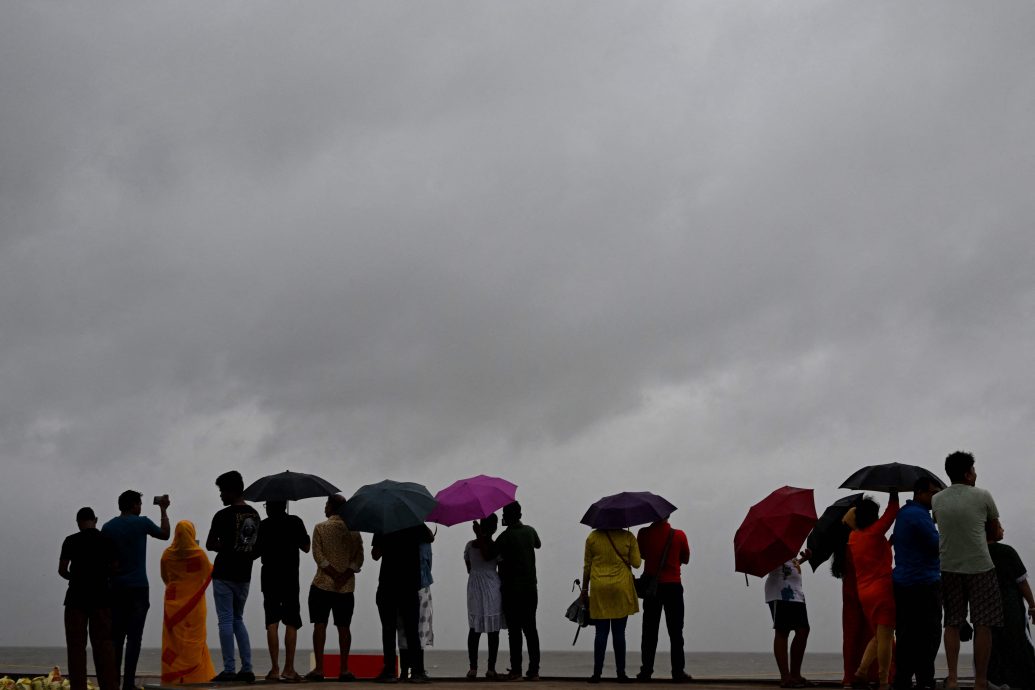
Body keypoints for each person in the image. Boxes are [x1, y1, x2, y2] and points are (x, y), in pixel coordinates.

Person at [931, 451, 1003, 690]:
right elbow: (995, 533)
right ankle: (980, 682)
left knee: (951, 623)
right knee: (983, 623)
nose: (975, 474)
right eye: (973, 470)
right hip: (980, 566)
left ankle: (952, 679)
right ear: (967, 473)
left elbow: (943, 524)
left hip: (949, 566)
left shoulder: (937, 500)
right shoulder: (982, 495)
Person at [102, 490, 170, 690]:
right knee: (134, 638)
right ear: (133, 505)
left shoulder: (107, 527)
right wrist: (164, 510)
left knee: (116, 639)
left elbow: (106, 560)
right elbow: (165, 534)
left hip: (114, 588)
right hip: (138, 587)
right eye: (139, 504)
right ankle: (129, 684)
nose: (141, 507)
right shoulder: (142, 523)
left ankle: (113, 682)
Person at [206, 470, 261, 683]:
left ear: (230, 491)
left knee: (226, 620)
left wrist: (227, 546)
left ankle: (229, 669)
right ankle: (247, 668)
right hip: (244, 574)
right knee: (239, 619)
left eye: (222, 492)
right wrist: (244, 553)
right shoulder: (255, 515)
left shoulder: (222, 516)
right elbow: (257, 548)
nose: (220, 496)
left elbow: (211, 544)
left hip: (224, 573)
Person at [60, 507, 119, 690]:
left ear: (78, 522)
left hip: (75, 599)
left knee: (76, 648)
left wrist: (76, 578)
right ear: (96, 519)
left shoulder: (70, 541)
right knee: (104, 647)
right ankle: (109, 686)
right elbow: (116, 567)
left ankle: (78, 687)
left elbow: (62, 570)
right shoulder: (107, 540)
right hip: (101, 598)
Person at [892, 478, 942, 690]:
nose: (936, 498)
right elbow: (938, 544)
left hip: (904, 582)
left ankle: (902, 679)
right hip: (922, 582)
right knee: (928, 634)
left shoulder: (905, 513)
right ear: (920, 493)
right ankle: (924, 680)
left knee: (906, 634)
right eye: (933, 493)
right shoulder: (918, 515)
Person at [846, 493, 900, 690]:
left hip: (865, 593)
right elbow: (892, 512)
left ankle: (861, 672)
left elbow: (873, 552)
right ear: (872, 517)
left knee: (878, 636)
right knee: (886, 636)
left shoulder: (854, 537)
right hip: (882, 591)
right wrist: (893, 493)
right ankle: (884, 681)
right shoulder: (875, 533)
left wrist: (889, 544)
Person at [306, 495, 363, 682]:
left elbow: (318, 557)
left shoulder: (320, 528)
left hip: (322, 584)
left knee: (319, 625)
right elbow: (358, 559)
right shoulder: (354, 531)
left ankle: (319, 669)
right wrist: (344, 575)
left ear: (331, 507)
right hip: (345, 588)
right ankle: (344, 669)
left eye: (326, 505)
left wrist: (333, 574)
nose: (324, 508)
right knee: (344, 628)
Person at [257, 500, 310, 682]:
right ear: (285, 505)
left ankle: (274, 669)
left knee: (272, 622)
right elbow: (306, 547)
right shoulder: (295, 521)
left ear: (270, 508)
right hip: (289, 577)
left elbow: (255, 552)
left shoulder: (263, 525)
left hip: (269, 577)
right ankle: (289, 669)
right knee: (291, 621)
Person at [371, 524, 431, 683]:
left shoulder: (384, 524)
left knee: (389, 629)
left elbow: (375, 554)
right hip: (410, 585)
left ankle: (390, 671)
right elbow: (430, 537)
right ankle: (417, 671)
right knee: (412, 630)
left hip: (388, 584)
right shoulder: (415, 524)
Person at [582, 526, 641, 683]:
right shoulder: (628, 537)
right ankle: (621, 674)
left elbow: (587, 565)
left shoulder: (592, 537)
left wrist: (584, 588)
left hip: (599, 588)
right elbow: (636, 563)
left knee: (600, 633)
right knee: (619, 633)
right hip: (621, 587)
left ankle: (596, 674)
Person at [635, 518, 692, 682]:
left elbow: (641, 556)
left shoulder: (643, 533)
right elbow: (686, 559)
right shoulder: (679, 535)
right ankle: (678, 671)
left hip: (652, 588)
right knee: (675, 632)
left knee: (649, 632)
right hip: (673, 586)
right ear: (668, 516)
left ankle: (646, 671)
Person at [159, 521, 215, 684]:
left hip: (172, 606)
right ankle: (195, 677)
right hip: (194, 606)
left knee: (173, 643)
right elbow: (208, 572)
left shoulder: (167, 555)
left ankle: (174, 678)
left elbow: (165, 577)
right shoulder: (199, 555)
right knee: (194, 642)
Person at [830, 502, 876, 688]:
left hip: (849, 593)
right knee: (873, 633)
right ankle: (872, 674)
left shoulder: (845, 540)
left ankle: (850, 676)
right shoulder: (862, 539)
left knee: (851, 635)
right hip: (868, 591)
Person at [985, 521, 1035, 690]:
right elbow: (1022, 582)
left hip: (986, 606)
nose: (1003, 529)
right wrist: (1033, 605)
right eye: (999, 527)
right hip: (1010, 604)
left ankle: (994, 680)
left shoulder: (978, 553)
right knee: (1018, 642)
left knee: (992, 645)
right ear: (992, 530)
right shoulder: (1007, 552)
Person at [495, 501, 542, 682]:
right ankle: (534, 670)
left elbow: (491, 554)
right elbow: (538, 544)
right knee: (531, 629)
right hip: (530, 588)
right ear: (520, 515)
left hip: (511, 590)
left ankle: (516, 670)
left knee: (514, 631)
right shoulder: (530, 531)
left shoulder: (504, 537)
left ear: (506, 517)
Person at [465, 515, 505, 680]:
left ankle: (473, 668)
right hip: (491, 585)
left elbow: (469, 566)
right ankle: (491, 669)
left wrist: (479, 535)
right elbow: (492, 559)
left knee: (475, 629)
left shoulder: (469, 545)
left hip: (474, 585)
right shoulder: (496, 546)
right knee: (492, 630)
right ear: (494, 528)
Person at [764, 552, 812, 689]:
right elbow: (773, 565)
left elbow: (789, 565)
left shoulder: (787, 547)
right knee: (782, 630)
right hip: (780, 592)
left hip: (796, 593)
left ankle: (795, 674)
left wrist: (802, 559)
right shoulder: (771, 546)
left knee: (803, 630)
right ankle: (786, 677)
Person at [398, 525, 435, 681]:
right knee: (419, 631)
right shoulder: (426, 543)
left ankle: (405, 671)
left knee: (403, 630)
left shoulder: (401, 539)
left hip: (402, 587)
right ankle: (417, 670)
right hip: (422, 587)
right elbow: (429, 566)